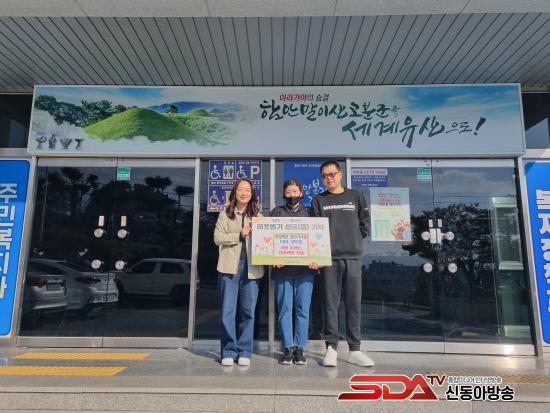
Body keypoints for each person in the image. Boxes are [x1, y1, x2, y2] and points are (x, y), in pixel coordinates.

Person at [311, 160, 375, 367]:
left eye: (332, 174)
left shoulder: (355, 196)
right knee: (330, 305)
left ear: (340, 175)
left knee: (353, 304)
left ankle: (354, 349)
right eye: (324, 176)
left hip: (353, 258)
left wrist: (353, 240)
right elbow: (314, 230)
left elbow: (365, 223)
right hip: (329, 260)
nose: (328, 178)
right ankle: (331, 347)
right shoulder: (318, 200)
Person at [214, 178, 264, 367]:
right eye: (241, 189)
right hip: (229, 269)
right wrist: (239, 235)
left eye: (248, 190)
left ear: (252, 195)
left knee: (248, 313)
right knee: (227, 312)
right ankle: (228, 351)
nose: (244, 193)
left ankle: (245, 351)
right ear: (235, 192)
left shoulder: (258, 216)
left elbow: (266, 241)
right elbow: (217, 238)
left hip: (252, 270)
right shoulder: (225, 214)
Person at [270, 178, 319, 365]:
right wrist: (272, 258)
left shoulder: (311, 213)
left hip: (306, 270)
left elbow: (319, 238)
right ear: (284, 194)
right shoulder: (276, 212)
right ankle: (287, 347)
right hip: (282, 270)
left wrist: (318, 259)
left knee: (302, 310)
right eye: (288, 192)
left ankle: (300, 348)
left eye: (295, 191)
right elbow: (267, 239)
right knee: (284, 310)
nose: (292, 195)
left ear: (301, 193)